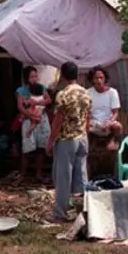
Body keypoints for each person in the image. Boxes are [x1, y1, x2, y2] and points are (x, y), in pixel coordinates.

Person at [48, 62, 91, 222]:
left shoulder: (63, 94)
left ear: (63, 76)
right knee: (82, 177)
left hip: (67, 140)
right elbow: (87, 116)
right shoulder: (85, 93)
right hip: (82, 138)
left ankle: (60, 213)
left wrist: (50, 140)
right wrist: (85, 135)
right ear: (77, 74)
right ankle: (86, 210)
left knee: (63, 177)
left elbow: (58, 121)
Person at [15, 66, 52, 184]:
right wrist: (31, 116)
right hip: (28, 120)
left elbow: (48, 100)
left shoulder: (41, 88)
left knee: (41, 148)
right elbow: (20, 106)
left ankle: (39, 174)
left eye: (35, 76)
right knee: (26, 149)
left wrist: (38, 102)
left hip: (41, 120)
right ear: (26, 78)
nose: (34, 79)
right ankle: (22, 175)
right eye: (32, 77)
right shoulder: (21, 91)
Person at [86, 66, 122, 151]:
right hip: (94, 123)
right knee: (84, 127)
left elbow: (116, 112)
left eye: (101, 78)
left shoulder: (112, 92)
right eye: (96, 78)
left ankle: (113, 142)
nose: (99, 80)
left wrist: (109, 122)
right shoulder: (87, 93)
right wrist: (94, 124)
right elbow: (87, 113)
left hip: (109, 123)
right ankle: (88, 148)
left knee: (118, 126)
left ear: (105, 79)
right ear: (92, 80)